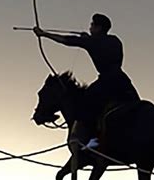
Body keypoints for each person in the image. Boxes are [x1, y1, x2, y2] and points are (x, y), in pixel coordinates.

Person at [33, 13, 140, 149]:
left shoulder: (91, 41)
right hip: (123, 80)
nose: (90, 27)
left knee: (83, 105)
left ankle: (92, 140)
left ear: (98, 27)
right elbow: (100, 45)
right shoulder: (115, 40)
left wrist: (44, 34)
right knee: (135, 104)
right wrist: (88, 39)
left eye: (92, 25)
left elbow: (67, 40)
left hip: (106, 81)